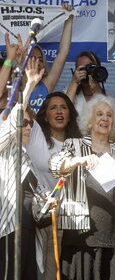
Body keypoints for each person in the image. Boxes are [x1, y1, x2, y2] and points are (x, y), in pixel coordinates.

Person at [49, 94, 115, 279]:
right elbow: (56, 166)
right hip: (81, 236)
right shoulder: (74, 145)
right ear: (89, 121)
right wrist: (77, 161)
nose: (104, 119)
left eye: (109, 115)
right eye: (99, 114)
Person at [26, 91, 81, 279]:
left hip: (74, 223)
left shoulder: (79, 144)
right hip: (43, 221)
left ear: (70, 113)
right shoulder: (36, 135)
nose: (59, 111)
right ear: (45, 116)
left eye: (64, 107)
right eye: (53, 107)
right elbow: (21, 105)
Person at [0, 57, 46, 280]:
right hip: (7, 230)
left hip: (27, 232)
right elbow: (11, 121)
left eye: (30, 123)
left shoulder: (27, 158)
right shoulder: (4, 147)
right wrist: (29, 85)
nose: (27, 126)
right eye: (23, 122)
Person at [28, 4, 74, 113]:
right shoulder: (17, 85)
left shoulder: (46, 85)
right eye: (33, 59)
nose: (38, 63)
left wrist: (69, 18)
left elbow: (63, 53)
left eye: (40, 59)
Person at [66, 51, 107, 115]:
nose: (86, 71)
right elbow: (65, 111)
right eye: (82, 68)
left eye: (91, 67)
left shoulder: (109, 96)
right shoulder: (69, 92)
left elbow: (105, 113)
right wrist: (74, 82)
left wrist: (96, 88)